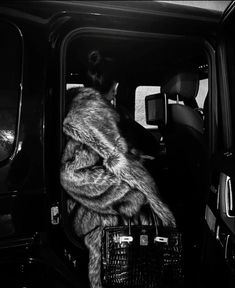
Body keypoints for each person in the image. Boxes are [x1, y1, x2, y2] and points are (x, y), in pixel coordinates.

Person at [60, 50, 175, 288]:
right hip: (92, 215)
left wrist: (134, 159)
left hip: (94, 209)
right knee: (140, 239)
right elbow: (72, 175)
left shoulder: (93, 111)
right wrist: (128, 194)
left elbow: (107, 156)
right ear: (111, 85)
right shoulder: (89, 115)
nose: (115, 91)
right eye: (115, 86)